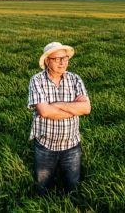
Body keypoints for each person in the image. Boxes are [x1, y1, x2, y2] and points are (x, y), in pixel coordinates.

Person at [27, 42, 91, 195]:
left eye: (65, 58)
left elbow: (86, 108)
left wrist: (58, 104)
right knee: (43, 188)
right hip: (45, 146)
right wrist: (74, 109)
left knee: (73, 187)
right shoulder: (37, 80)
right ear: (47, 61)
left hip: (72, 146)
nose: (63, 62)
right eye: (57, 59)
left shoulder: (75, 79)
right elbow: (44, 111)